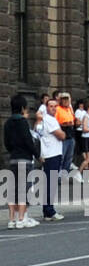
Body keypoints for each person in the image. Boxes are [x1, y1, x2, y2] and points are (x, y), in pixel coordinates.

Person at [5, 95, 40, 228]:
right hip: (24, 158)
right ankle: (21, 219)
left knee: (13, 189)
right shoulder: (23, 122)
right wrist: (37, 155)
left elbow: (6, 142)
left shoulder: (8, 123)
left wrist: (13, 150)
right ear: (22, 108)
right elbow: (28, 141)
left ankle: (11, 220)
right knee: (24, 188)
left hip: (13, 158)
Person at [35, 97, 66, 221]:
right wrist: (62, 132)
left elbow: (37, 132)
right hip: (52, 154)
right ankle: (50, 211)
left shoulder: (42, 121)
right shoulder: (50, 120)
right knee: (51, 184)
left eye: (55, 106)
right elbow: (61, 135)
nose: (53, 108)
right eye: (51, 106)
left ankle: (47, 211)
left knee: (48, 183)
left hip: (47, 154)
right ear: (46, 107)